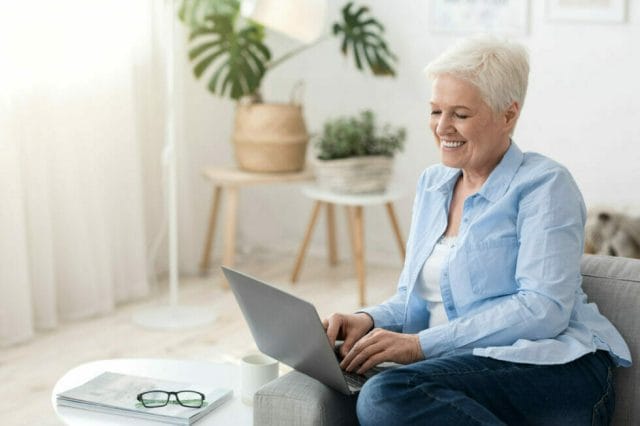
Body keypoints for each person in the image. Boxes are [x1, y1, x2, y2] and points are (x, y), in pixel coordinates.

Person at [323, 35, 631, 425]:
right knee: (366, 389)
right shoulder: (433, 184)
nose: (442, 127)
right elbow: (415, 299)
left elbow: (543, 310)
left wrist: (420, 346)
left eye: (460, 114)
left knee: (386, 396)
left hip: (556, 369)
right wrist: (367, 319)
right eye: (436, 111)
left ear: (508, 114)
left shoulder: (545, 185)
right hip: (465, 367)